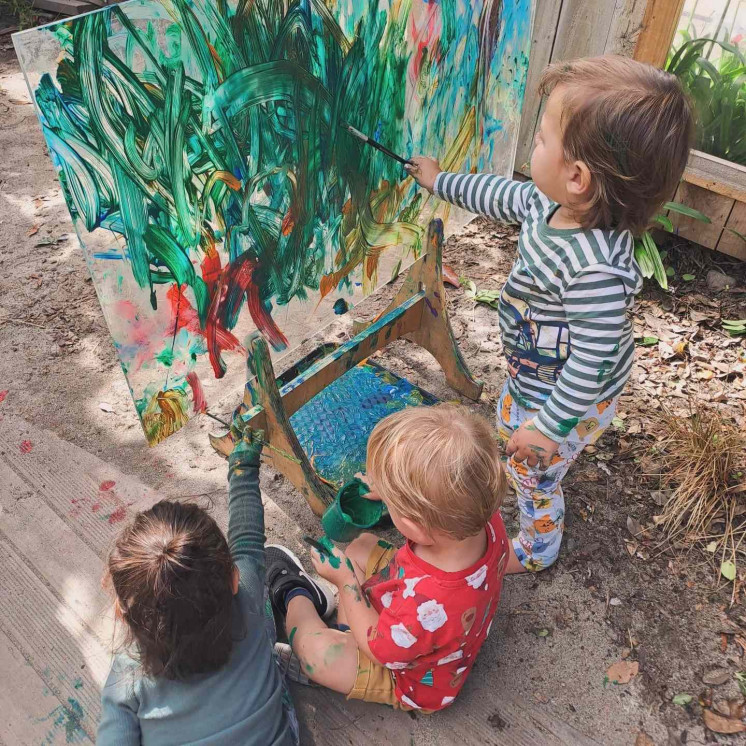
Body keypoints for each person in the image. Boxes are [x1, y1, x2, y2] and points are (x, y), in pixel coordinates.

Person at [406, 55, 694, 573]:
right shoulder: (549, 203)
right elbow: (500, 195)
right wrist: (441, 181)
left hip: (573, 393)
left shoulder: (595, 270)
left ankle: (536, 549)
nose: (532, 145)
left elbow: (592, 361)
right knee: (515, 427)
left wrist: (549, 427)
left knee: (535, 474)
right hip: (540, 368)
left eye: (540, 140)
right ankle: (521, 442)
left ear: (577, 176)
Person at [96, 424, 334, 745]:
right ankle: (290, 598)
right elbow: (248, 541)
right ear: (233, 579)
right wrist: (243, 466)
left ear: (123, 614)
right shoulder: (247, 598)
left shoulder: (129, 675)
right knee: (259, 588)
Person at [265, 404, 509, 713]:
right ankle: (343, 618)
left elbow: (383, 651)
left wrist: (345, 585)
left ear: (416, 524)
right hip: (420, 618)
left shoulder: (430, 604)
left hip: (405, 673)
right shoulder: (479, 515)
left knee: (314, 653)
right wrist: (389, 486)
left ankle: (294, 592)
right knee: (360, 546)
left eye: (394, 500)